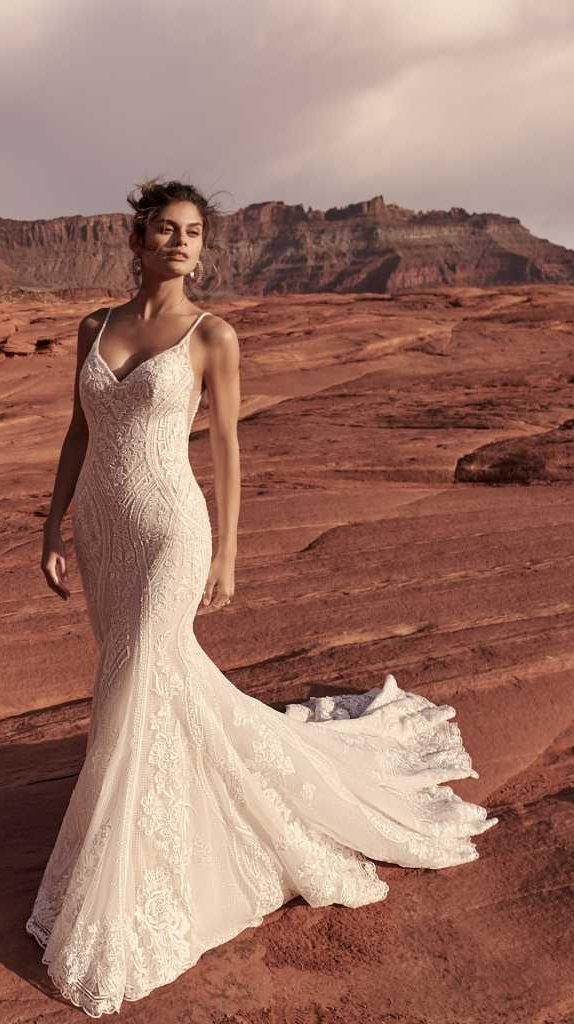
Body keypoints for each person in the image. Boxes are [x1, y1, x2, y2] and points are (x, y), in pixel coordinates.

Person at [25, 178, 499, 1017]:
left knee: (135, 680)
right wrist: (51, 526)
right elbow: (78, 431)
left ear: (204, 247)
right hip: (103, 531)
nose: (180, 242)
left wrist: (230, 550)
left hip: (174, 531)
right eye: (165, 229)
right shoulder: (92, 329)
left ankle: (129, 871)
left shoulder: (214, 336)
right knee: (144, 684)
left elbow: (229, 446)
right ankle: (151, 821)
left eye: (194, 232)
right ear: (136, 241)